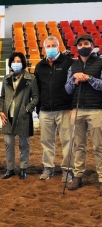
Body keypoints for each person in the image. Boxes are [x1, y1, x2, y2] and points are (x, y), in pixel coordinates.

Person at [64, 34, 102, 193]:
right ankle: (78, 176)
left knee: (99, 146)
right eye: (80, 45)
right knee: (78, 145)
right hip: (78, 109)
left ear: (92, 45)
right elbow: (67, 89)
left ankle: (101, 178)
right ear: (76, 48)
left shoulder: (100, 62)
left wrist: (89, 78)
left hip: (96, 109)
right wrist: (74, 80)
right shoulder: (72, 67)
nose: (83, 46)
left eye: (86, 43)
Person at [35, 35, 74, 182]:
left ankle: (67, 170)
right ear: (44, 48)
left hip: (64, 109)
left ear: (59, 46)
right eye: (48, 46)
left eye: (53, 45)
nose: (51, 48)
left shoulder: (68, 63)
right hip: (45, 110)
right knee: (46, 141)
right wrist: (38, 108)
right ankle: (48, 167)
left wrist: (72, 107)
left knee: (67, 141)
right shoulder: (39, 66)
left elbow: (73, 86)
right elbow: (37, 89)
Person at [0, 52, 39, 180]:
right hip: (7, 117)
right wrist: (1, 111)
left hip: (23, 117)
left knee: (24, 144)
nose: (16, 63)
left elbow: (36, 97)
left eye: (19, 61)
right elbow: (2, 97)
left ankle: (23, 168)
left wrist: (27, 109)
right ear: (10, 63)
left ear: (23, 63)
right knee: (8, 144)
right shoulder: (6, 79)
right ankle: (10, 169)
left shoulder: (30, 78)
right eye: (14, 61)